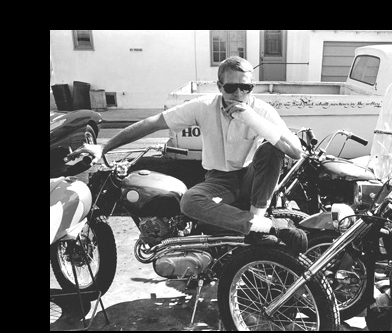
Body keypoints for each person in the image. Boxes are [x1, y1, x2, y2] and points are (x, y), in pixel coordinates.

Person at [68, 56, 307, 254]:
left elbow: (295, 151)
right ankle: (261, 227)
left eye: (245, 87)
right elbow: (154, 122)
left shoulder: (261, 110)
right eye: (231, 87)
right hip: (218, 180)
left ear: (251, 88)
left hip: (250, 177)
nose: (238, 93)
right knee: (189, 202)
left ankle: (257, 220)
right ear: (219, 87)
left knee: (271, 148)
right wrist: (104, 147)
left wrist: (250, 118)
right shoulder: (204, 106)